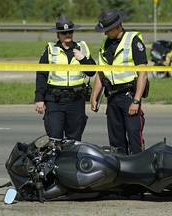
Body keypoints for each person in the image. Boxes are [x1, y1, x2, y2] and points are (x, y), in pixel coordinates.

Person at [91, 9, 148, 155]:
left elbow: (143, 74)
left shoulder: (134, 41)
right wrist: (94, 97)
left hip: (129, 96)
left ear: (118, 26)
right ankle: (122, 172)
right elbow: (100, 73)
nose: (105, 33)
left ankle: (139, 172)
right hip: (112, 98)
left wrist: (136, 101)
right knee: (116, 142)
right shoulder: (105, 43)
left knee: (135, 138)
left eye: (108, 30)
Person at [35, 15, 96, 141]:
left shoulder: (82, 47)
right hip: (55, 100)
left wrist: (83, 59)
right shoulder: (50, 49)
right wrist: (39, 98)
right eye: (64, 32)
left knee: (74, 140)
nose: (67, 35)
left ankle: (71, 161)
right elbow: (41, 75)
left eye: (70, 32)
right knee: (54, 138)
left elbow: (92, 72)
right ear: (58, 34)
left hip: (76, 100)